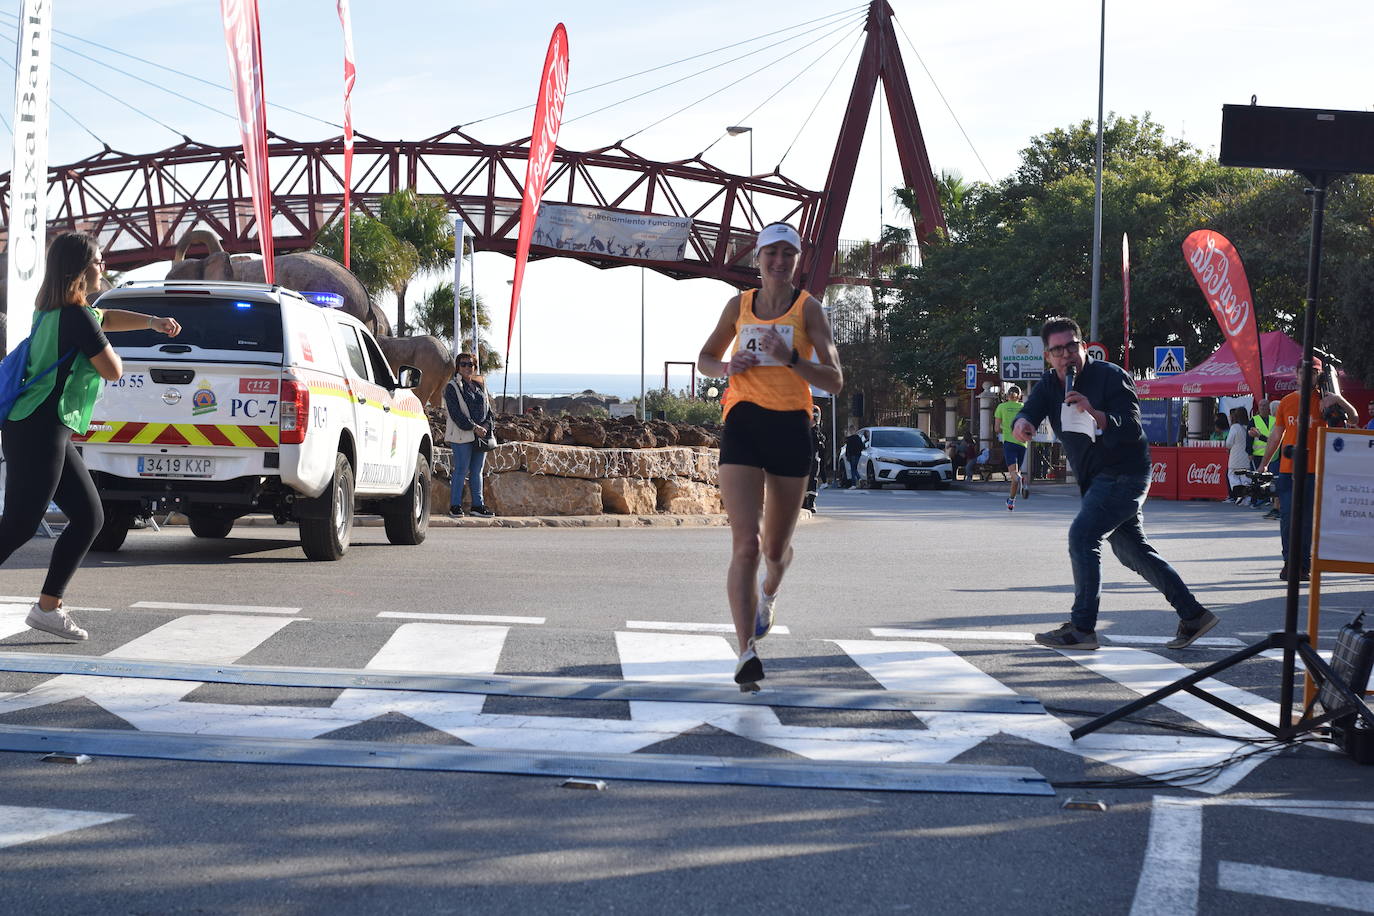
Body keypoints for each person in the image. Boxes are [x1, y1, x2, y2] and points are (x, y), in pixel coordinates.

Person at [1, 232, 182, 641]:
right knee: (19, 525)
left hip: (44, 428)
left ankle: (48, 608)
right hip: (39, 429)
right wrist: (109, 347)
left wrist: (152, 323)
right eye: (99, 261)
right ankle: (48, 606)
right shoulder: (77, 318)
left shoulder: (53, 311)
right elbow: (112, 370)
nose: (104, 267)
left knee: (89, 517)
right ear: (80, 269)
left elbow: (109, 318)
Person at [1012, 316, 1217, 651]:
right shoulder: (1049, 384)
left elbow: (1131, 423)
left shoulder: (1111, 376)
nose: (1065, 355)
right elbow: (1029, 412)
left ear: (1083, 345)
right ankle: (1193, 614)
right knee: (1131, 550)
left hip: (1126, 473)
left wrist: (1096, 413)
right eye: (1056, 350)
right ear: (1048, 356)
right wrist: (1023, 424)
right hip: (1096, 481)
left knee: (1083, 535)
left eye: (1070, 346)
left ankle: (1082, 628)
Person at [697, 222, 843, 688]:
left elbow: (835, 379)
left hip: (791, 427)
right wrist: (726, 366)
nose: (779, 262)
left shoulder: (809, 309)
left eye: (788, 254)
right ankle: (745, 652)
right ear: (756, 258)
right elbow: (705, 358)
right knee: (746, 544)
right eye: (770, 254)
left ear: (797, 260)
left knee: (775, 550)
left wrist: (791, 359)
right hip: (742, 421)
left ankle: (770, 590)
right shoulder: (737, 305)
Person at [1259, 359, 1355, 580]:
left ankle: (1304, 564)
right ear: (1297, 374)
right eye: (1303, 372)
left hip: (1315, 470)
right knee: (1287, 517)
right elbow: (1277, 434)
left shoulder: (1326, 400)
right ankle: (1288, 562)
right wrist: (1264, 463)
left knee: (1307, 520)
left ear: (1319, 376)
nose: (1307, 377)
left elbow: (1354, 418)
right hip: (1288, 470)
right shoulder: (1286, 401)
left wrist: (1339, 399)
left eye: (1313, 373)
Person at [444, 352, 496, 518]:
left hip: (480, 435)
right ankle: (455, 506)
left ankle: (477, 506)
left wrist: (486, 427)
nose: (467, 367)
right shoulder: (452, 387)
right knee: (461, 469)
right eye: (463, 364)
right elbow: (455, 413)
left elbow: (489, 411)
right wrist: (474, 427)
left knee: (477, 471)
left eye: (470, 364)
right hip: (462, 434)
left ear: (475, 367)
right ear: (458, 367)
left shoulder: (479, 386)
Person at [994, 384, 1028, 510]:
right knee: (1015, 473)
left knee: (1014, 474)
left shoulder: (1001, 407)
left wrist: (1005, 430)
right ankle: (1011, 500)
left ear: (1007, 396)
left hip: (1009, 442)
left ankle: (1021, 479)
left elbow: (997, 428)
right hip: (1022, 443)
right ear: (1020, 396)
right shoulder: (1024, 407)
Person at [1225, 406, 1252, 505]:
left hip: (1235, 457)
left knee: (1232, 475)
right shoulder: (1249, 426)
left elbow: (1228, 443)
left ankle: (1239, 494)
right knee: (1246, 478)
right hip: (1247, 457)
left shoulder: (1234, 427)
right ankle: (1247, 498)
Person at [802, 405, 825, 512]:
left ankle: (810, 502)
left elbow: (821, 447)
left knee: (812, 481)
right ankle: (802, 503)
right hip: (802, 459)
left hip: (814, 460)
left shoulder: (817, 432)